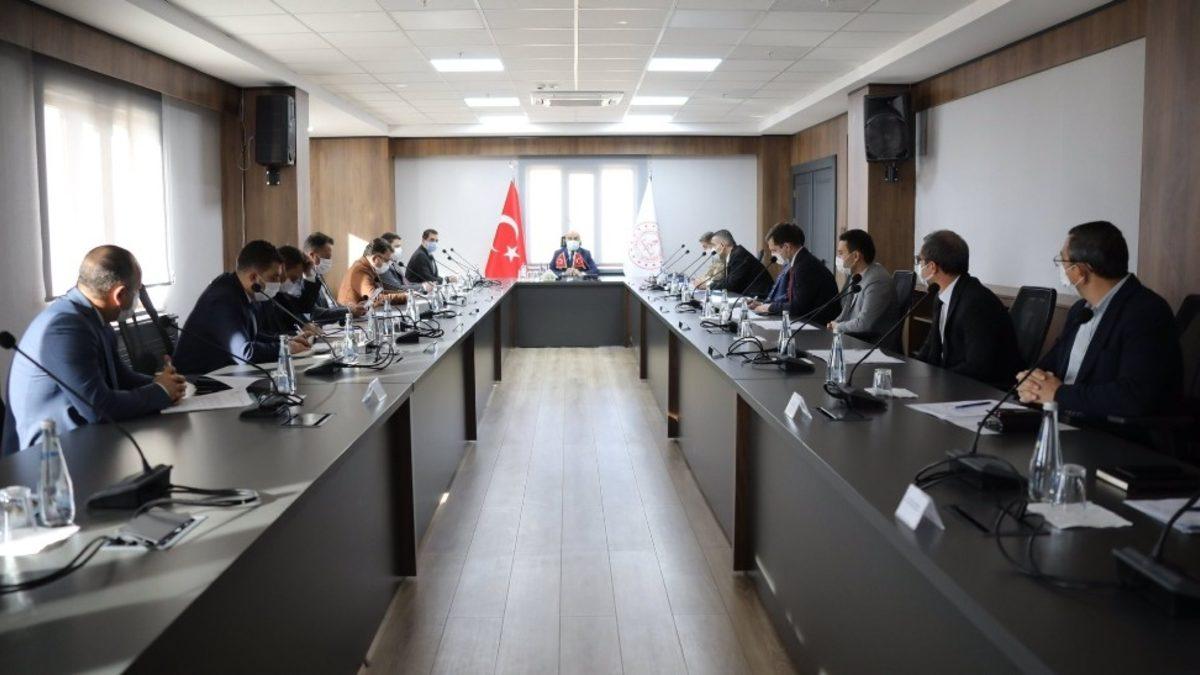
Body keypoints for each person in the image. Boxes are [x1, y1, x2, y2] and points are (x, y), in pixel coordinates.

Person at [3, 246, 186, 454]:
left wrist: (166, 382)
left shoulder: (94, 318)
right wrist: (160, 391)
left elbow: (121, 378)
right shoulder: (65, 328)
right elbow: (98, 408)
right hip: (43, 458)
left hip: (82, 443)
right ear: (119, 294)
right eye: (137, 291)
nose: (138, 299)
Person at [1017, 221, 1182, 422]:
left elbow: (1134, 395)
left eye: (1062, 261)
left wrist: (1059, 394)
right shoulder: (1080, 311)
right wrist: (1031, 382)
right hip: (1060, 421)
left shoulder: (1146, 312)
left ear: (1080, 271)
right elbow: (1049, 365)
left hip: (1110, 432)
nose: (1061, 268)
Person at [173, 240, 310, 375]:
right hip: (197, 378)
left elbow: (252, 336)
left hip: (223, 372)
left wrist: (285, 341)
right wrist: (285, 348)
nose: (278, 283)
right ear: (253, 277)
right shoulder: (223, 298)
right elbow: (245, 353)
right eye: (274, 277)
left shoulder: (241, 290)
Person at [913, 230, 1021, 388]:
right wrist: (911, 371)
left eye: (919, 260)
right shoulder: (941, 295)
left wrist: (938, 380)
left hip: (984, 388)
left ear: (932, 267)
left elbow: (978, 365)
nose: (918, 265)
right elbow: (931, 345)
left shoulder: (976, 302)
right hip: (953, 380)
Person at [828, 229, 898, 341]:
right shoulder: (855, 275)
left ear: (856, 256)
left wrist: (838, 327)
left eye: (841, 253)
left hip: (872, 343)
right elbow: (846, 312)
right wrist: (834, 323)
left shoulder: (877, 281)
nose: (838, 258)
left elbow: (864, 324)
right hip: (854, 338)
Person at [300, 231, 363, 321]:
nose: (329, 262)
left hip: (333, 323)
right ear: (312, 256)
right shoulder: (302, 280)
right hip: (322, 326)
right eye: (327, 258)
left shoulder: (318, 275)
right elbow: (314, 313)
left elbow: (331, 304)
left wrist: (351, 308)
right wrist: (348, 311)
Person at [340, 238, 410, 308]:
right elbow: (375, 298)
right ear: (375, 259)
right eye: (387, 261)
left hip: (366, 311)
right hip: (352, 313)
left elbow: (379, 292)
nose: (389, 264)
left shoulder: (369, 267)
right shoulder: (360, 270)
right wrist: (406, 297)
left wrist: (405, 294)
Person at [708, 230, 772, 298]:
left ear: (722, 245)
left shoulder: (739, 255)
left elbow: (732, 285)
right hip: (750, 295)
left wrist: (709, 285)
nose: (713, 249)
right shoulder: (734, 254)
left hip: (761, 297)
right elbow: (728, 280)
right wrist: (711, 284)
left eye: (714, 245)